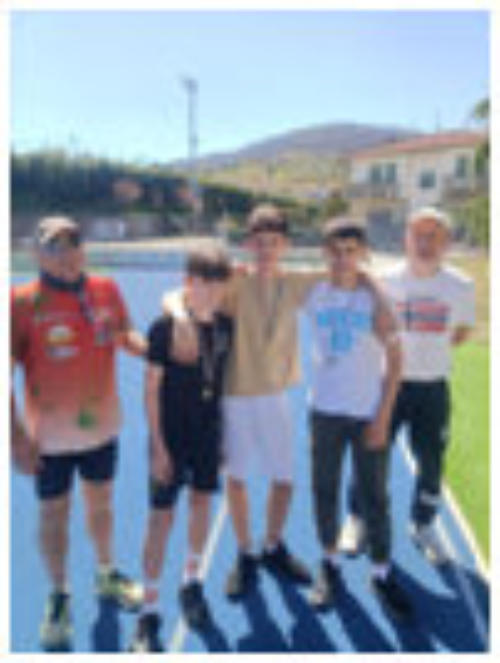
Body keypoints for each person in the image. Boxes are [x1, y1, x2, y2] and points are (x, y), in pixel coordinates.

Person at [11, 216, 146, 650]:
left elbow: (125, 334)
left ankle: (106, 573)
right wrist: (15, 438)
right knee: (54, 516)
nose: (66, 253)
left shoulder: (106, 289)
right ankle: (59, 594)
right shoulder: (21, 302)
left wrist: (156, 349)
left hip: (101, 428)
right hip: (48, 440)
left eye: (73, 243)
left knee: (101, 505)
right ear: (37, 253)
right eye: (54, 246)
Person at [339, 207, 475, 565]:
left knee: (431, 463)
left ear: (447, 242)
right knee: (371, 456)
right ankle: (358, 518)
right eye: (418, 235)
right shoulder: (383, 280)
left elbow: (461, 334)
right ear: (406, 239)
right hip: (387, 385)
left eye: (434, 236)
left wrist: (428, 354)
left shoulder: (461, 286)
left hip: (432, 389)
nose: (425, 243)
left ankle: (423, 524)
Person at [303, 217, 413, 619]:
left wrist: (383, 416)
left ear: (363, 253)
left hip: (367, 412)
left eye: (351, 251)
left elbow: (396, 361)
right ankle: (329, 564)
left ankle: (381, 572)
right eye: (335, 251)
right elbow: (266, 279)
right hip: (324, 412)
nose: (342, 259)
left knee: (375, 496)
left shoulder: (376, 301)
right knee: (324, 490)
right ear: (324, 253)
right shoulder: (313, 292)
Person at [129, 243, 234, 652]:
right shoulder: (164, 328)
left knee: (201, 505)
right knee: (160, 518)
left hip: (207, 436)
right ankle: (149, 609)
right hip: (170, 438)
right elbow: (150, 390)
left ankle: (191, 582)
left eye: (219, 283)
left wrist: (223, 438)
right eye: (204, 281)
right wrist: (158, 447)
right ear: (188, 281)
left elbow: (220, 385)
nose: (212, 291)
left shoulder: (226, 327)